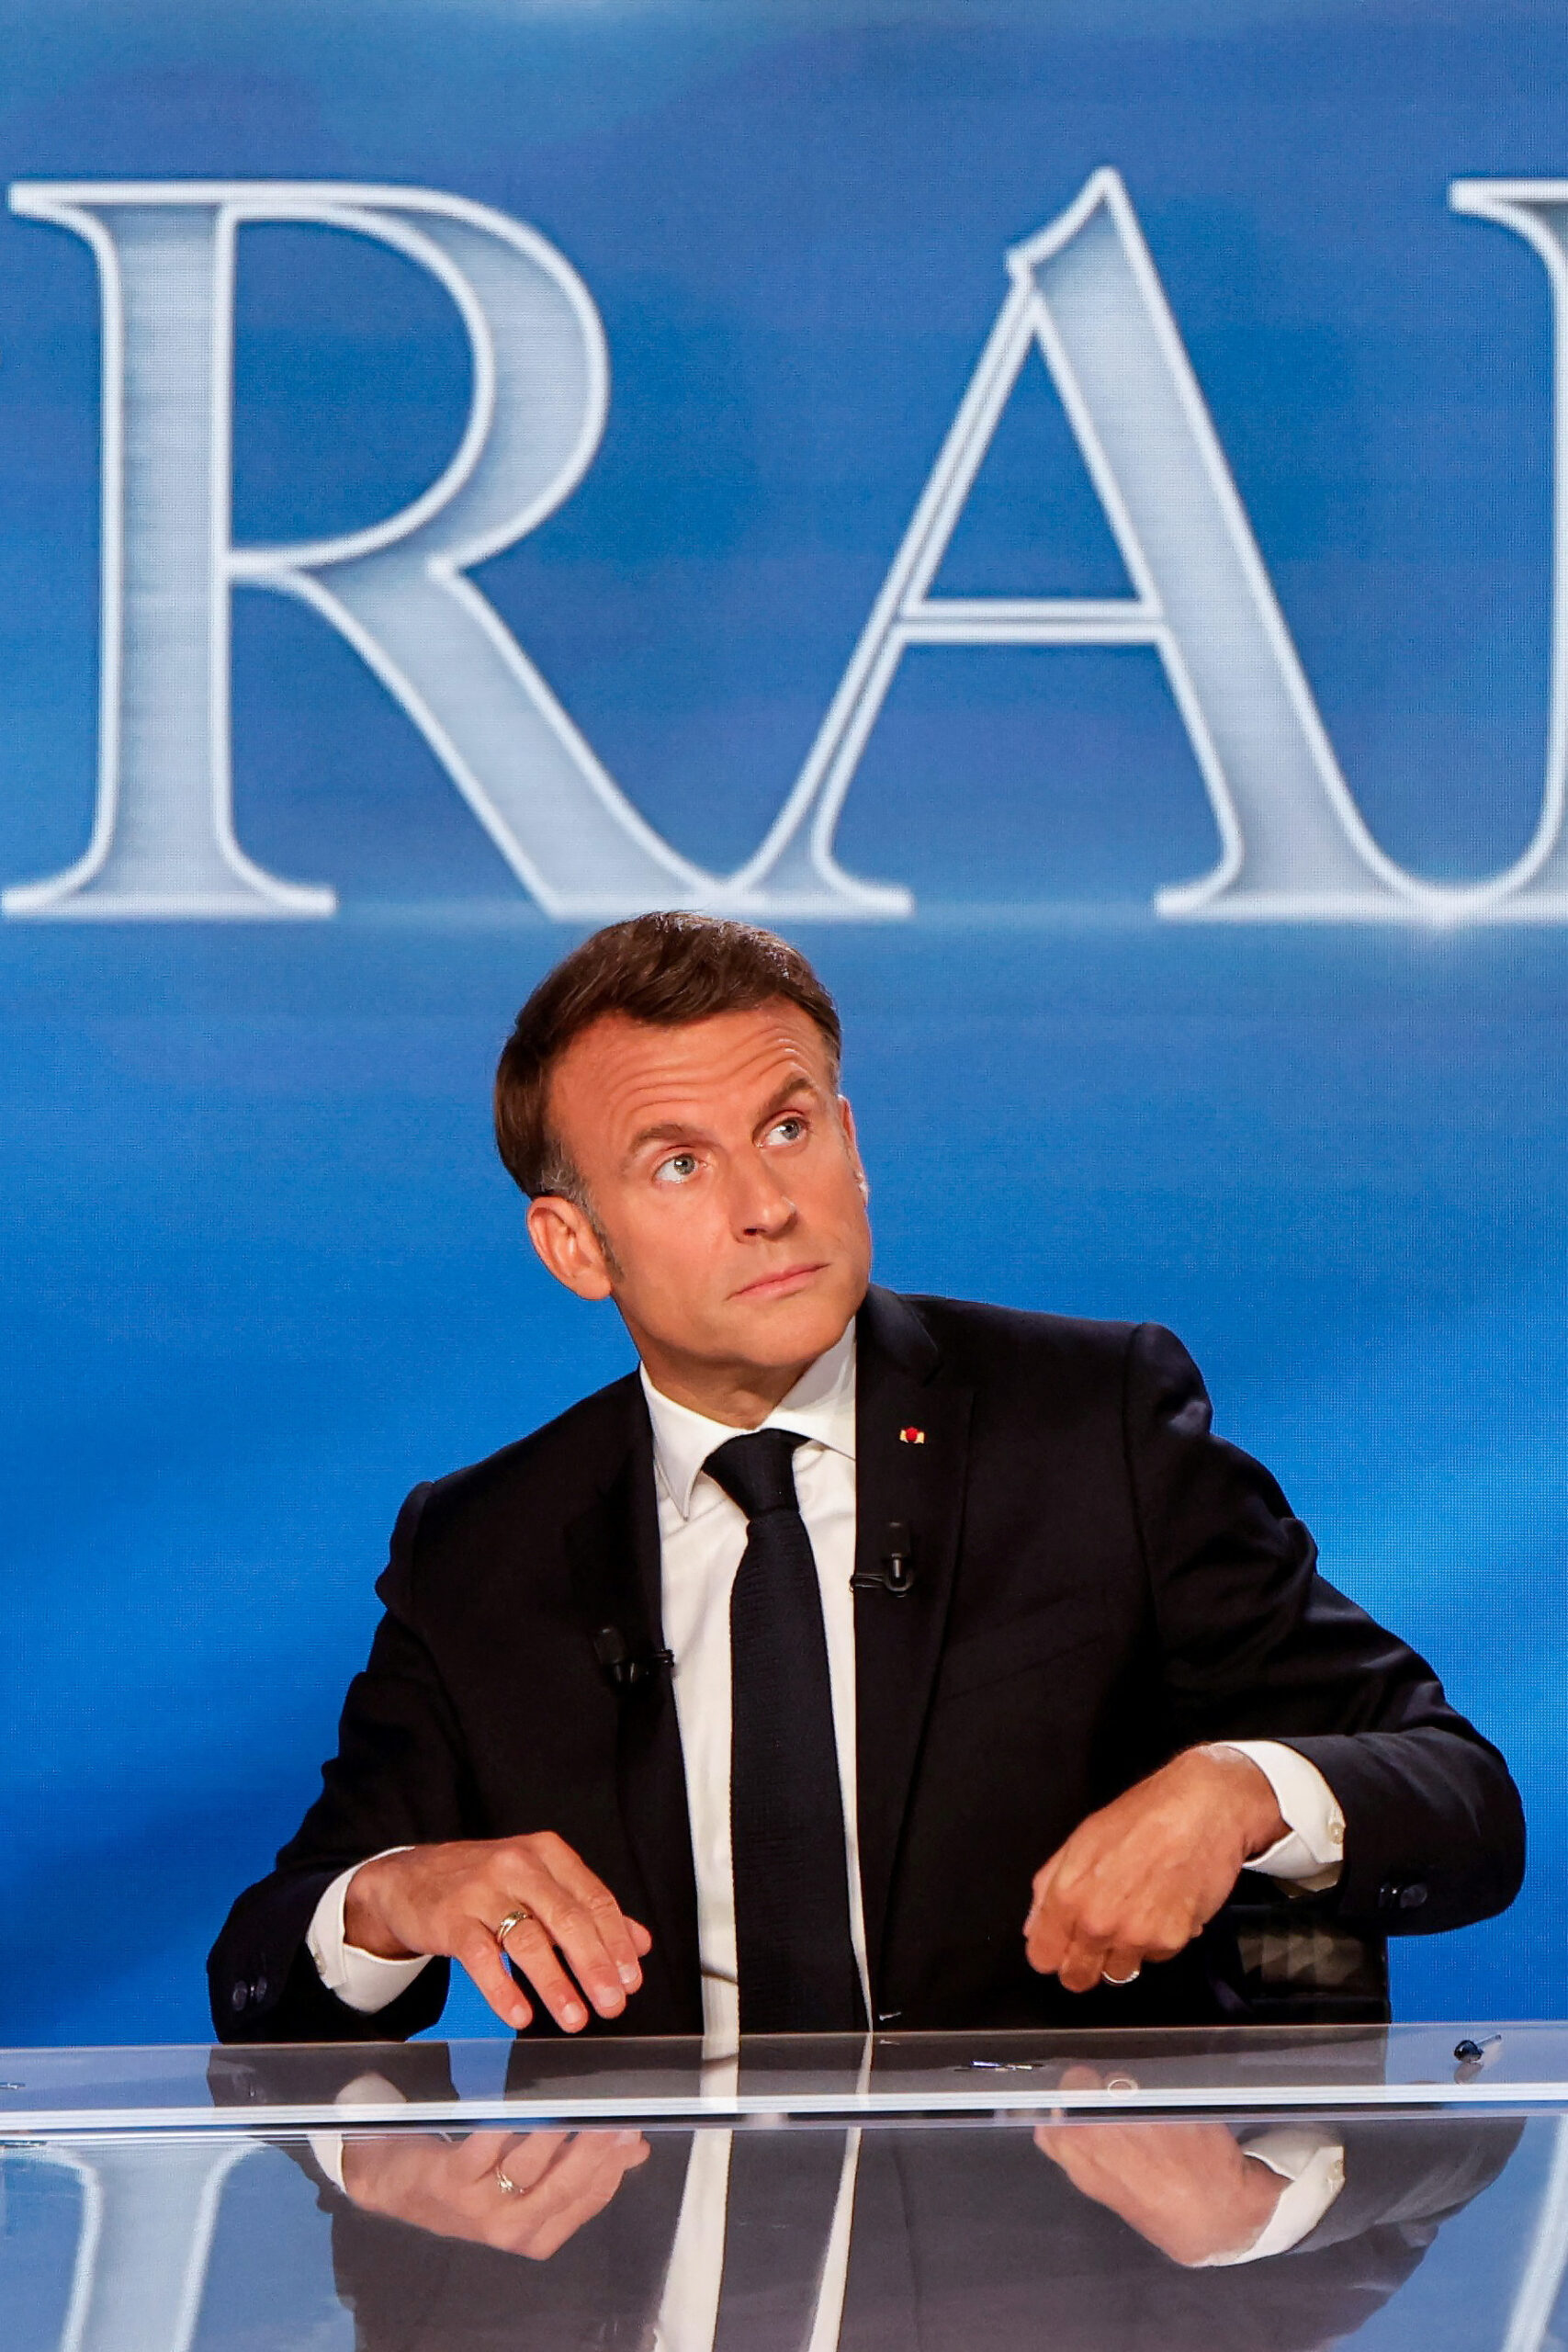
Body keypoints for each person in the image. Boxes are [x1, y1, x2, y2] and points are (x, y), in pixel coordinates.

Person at [209, 913, 1523, 2047]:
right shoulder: (482, 1548)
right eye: (679, 1163)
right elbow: (262, 1980)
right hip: (650, 2248)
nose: (765, 1204)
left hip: (1052, 2223)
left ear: (850, 1141)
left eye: (787, 1128)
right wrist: (390, 1897)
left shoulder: (1094, 1428)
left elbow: (1463, 1801)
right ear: (575, 1246)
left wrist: (1240, 1790)